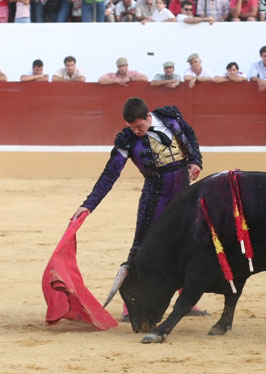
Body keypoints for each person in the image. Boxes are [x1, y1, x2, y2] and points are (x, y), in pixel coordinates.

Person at [71, 97, 204, 321]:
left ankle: (187, 299)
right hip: (155, 197)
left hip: (183, 193)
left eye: (140, 127)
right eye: (132, 128)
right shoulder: (127, 141)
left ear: (148, 117)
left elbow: (190, 136)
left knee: (186, 244)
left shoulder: (170, 118)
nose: (137, 132)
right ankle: (129, 302)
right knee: (142, 249)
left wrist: (195, 160)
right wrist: (89, 204)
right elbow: (110, 174)